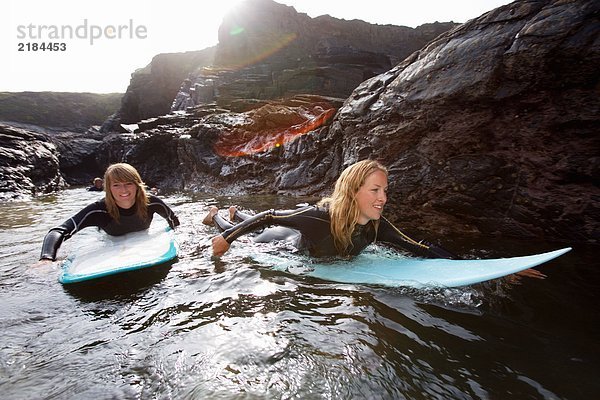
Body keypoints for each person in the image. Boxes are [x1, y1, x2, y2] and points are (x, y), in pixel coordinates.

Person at [203, 159, 456, 259]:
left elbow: (416, 246)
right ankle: (217, 216)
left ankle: (237, 213)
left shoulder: (377, 227)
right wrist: (226, 240)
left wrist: (457, 263)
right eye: (375, 190)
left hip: (291, 232)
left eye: (385, 191)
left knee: (260, 223)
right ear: (353, 191)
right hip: (277, 242)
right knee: (242, 232)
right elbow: (269, 216)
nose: (383, 198)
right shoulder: (319, 218)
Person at [39, 163, 180, 262]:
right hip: (109, 241)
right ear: (108, 188)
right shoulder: (98, 210)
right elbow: (58, 231)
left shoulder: (152, 202)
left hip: (142, 238)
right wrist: (46, 258)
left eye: (128, 183)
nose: (123, 190)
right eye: (116, 185)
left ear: (137, 185)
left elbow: (174, 221)